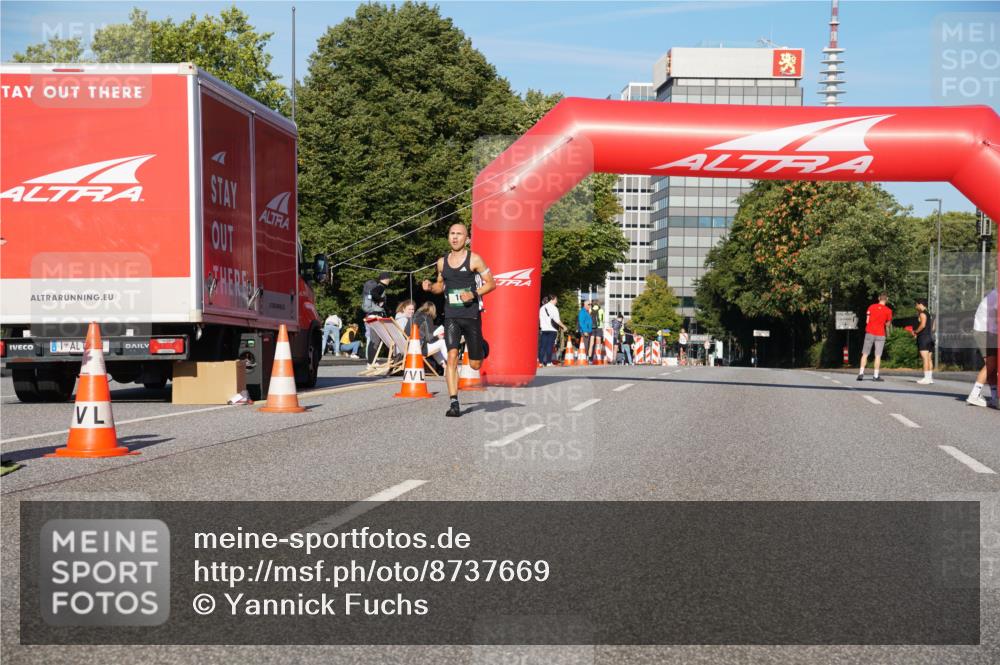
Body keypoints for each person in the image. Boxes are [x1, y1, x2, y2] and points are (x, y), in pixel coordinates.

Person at [422, 223, 496, 417]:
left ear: (467, 239)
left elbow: (491, 284)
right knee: (452, 356)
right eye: (452, 234)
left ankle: (481, 346)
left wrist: (473, 294)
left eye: (459, 234)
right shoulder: (441, 262)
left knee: (475, 365)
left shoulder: (475, 259)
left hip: (471, 315)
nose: (455, 237)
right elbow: (440, 287)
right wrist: (431, 288)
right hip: (452, 316)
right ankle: (454, 402)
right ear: (448, 237)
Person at [967, 288, 998, 408]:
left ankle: (995, 397)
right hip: (984, 331)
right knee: (991, 364)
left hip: (985, 330)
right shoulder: (997, 294)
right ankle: (974, 395)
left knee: (992, 365)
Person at [857, 292, 893, 382]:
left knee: (865, 354)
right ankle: (875, 376)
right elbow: (888, 324)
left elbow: (867, 321)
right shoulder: (888, 311)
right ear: (887, 299)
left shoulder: (871, 307)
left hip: (870, 332)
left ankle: (861, 373)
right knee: (877, 355)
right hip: (880, 334)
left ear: (878, 298)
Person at [362, 272, 392, 364]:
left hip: (372, 315)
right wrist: (381, 300)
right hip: (376, 316)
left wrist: (388, 309)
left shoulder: (379, 287)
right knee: (375, 340)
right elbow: (374, 293)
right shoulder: (381, 287)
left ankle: (371, 362)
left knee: (374, 340)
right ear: (385, 279)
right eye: (389, 279)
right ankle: (371, 363)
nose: (389, 281)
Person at [413, 301, 447, 368]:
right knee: (442, 342)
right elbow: (429, 339)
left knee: (437, 346)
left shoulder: (415, 316)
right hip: (420, 348)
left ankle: (445, 366)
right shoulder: (427, 318)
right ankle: (453, 364)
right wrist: (438, 337)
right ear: (433, 310)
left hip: (411, 346)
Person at [910, 298, 935, 385]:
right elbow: (933, 328)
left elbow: (923, 325)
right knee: (929, 359)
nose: (916, 306)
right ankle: (930, 378)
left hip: (923, 338)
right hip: (930, 338)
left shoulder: (922, 314)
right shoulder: (930, 315)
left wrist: (915, 331)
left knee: (925, 359)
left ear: (920, 304)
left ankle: (926, 378)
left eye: (916, 304)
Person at [539, 294, 566, 366]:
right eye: (556, 299)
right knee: (549, 346)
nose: (556, 301)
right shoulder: (554, 308)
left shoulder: (542, 308)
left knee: (542, 346)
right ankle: (548, 362)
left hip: (543, 329)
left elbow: (540, 319)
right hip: (552, 330)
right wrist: (564, 326)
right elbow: (557, 320)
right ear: (552, 299)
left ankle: (540, 362)